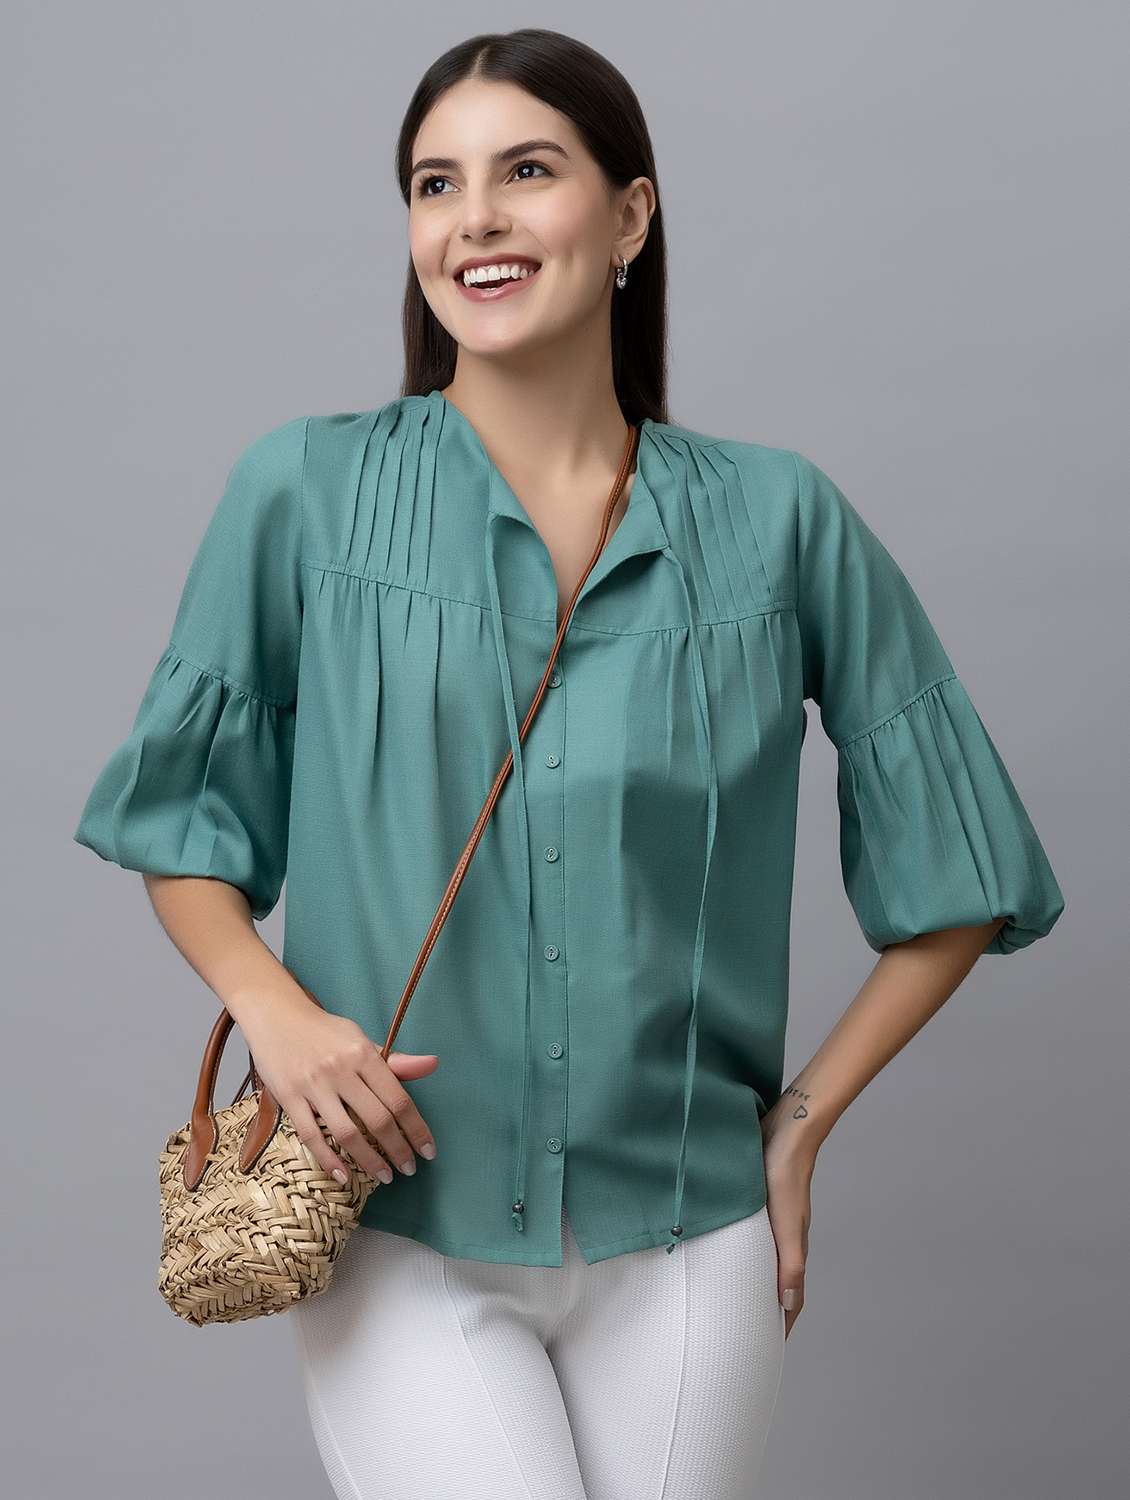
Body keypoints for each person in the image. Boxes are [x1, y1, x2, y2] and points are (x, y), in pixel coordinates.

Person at [72, 26, 1066, 1500]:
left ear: (629, 216)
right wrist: (274, 1015)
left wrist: (797, 1128)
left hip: (691, 1241)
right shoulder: (303, 492)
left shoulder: (780, 520)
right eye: (434, 184)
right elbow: (180, 823)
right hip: (399, 1220)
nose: (473, 219)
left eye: (525, 171)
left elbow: (962, 870)